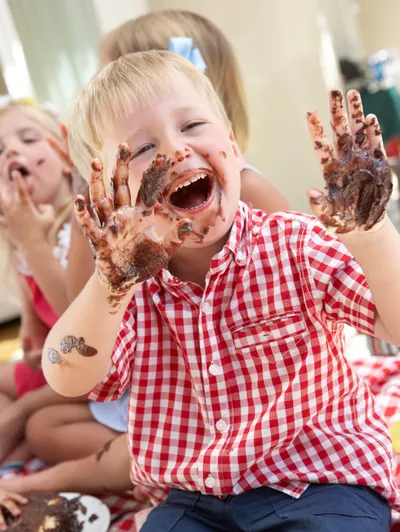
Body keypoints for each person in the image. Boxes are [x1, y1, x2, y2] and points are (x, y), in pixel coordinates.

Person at [43, 50, 400, 532]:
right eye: (141, 149)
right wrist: (108, 285)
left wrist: (372, 235)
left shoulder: (295, 244)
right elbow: (67, 376)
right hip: (197, 501)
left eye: (191, 125)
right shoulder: (129, 291)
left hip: (321, 478)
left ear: (232, 149)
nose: (174, 148)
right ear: (110, 196)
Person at [9, 10, 290, 495]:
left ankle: (32, 481)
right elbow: (77, 314)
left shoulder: (249, 193)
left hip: (230, 405)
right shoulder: (121, 217)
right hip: (148, 386)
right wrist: (90, 189)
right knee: (37, 416)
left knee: (44, 425)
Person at [0, 99, 121, 467]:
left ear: (67, 156)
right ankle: (17, 456)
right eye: (0, 150)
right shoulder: (23, 234)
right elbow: (38, 323)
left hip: (102, 366)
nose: (13, 151)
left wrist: (31, 243)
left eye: (29, 139)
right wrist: (34, 338)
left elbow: (77, 321)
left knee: (40, 427)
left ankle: (22, 442)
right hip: (63, 363)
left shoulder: (84, 227)